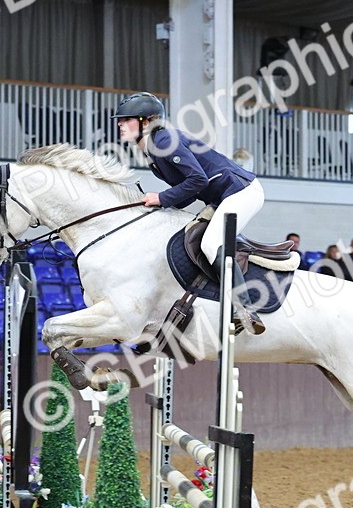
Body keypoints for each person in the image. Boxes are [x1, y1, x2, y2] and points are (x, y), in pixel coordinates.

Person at [112, 92, 265, 335]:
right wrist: (163, 208)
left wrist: (162, 198)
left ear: (146, 121)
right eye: (120, 120)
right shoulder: (152, 149)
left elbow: (197, 180)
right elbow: (190, 188)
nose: (120, 124)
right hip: (219, 197)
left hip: (240, 191)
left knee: (213, 243)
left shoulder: (163, 141)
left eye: (126, 119)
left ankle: (245, 308)